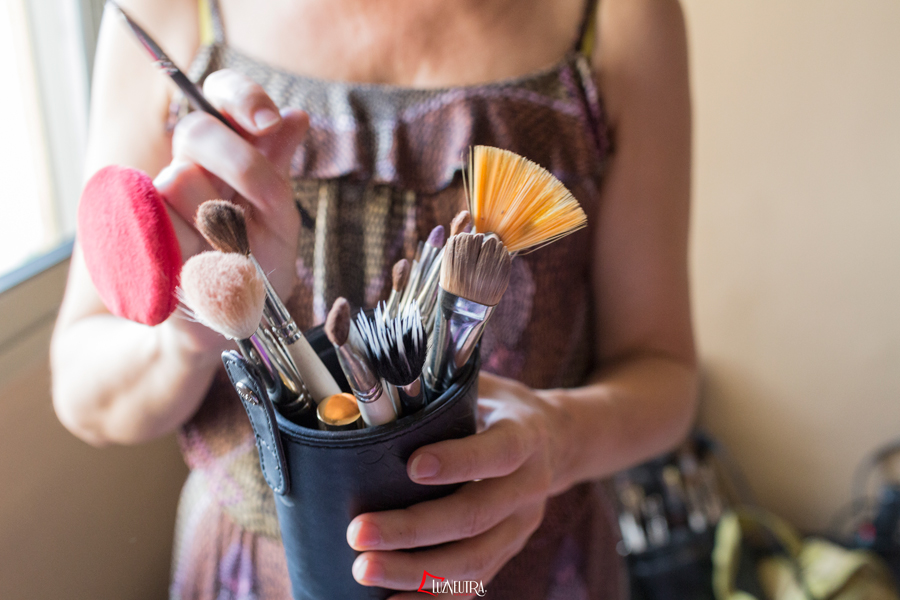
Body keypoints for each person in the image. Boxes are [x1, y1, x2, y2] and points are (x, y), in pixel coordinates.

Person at [51, 0, 697, 597]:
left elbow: (664, 374)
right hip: (247, 575)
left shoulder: (621, 16)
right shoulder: (165, 12)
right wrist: (189, 336)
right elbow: (84, 393)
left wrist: (561, 439)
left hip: (534, 573)